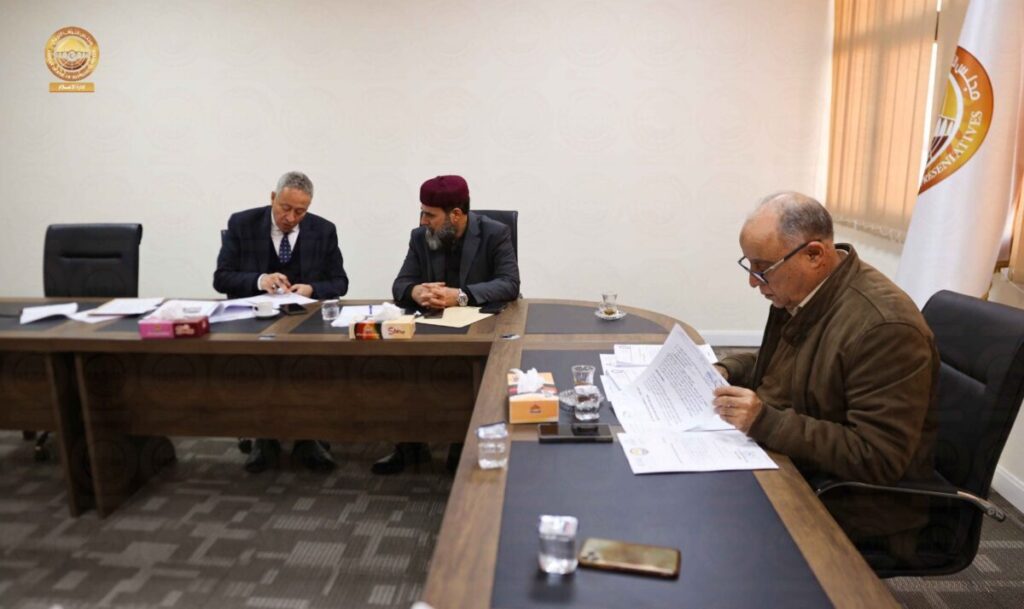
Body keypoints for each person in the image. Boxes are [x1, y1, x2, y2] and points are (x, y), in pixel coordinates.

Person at [711, 191, 938, 562]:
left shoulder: (884, 328)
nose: (753, 281)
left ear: (814, 255)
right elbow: (783, 365)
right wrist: (727, 369)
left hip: (854, 500)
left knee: (711, 523)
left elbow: (877, 456)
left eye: (762, 268)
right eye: (749, 265)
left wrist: (765, 421)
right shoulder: (804, 291)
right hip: (798, 462)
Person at [375, 175, 521, 475]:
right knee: (402, 363)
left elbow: (509, 283)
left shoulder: (495, 233)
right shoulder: (421, 237)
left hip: (481, 325)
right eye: (422, 212)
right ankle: (410, 445)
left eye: (430, 214)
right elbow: (401, 283)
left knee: (471, 370)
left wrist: (461, 295)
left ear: (455, 214)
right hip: (433, 324)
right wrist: (417, 291)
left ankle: (461, 442)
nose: (423, 221)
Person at [213, 170, 348, 473]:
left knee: (310, 367)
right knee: (261, 367)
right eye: (285, 208)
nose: (291, 218)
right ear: (273, 198)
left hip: (306, 321)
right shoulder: (243, 224)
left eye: (300, 211)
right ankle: (264, 438)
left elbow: (340, 282)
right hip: (254, 319)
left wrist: (311, 288)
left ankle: (308, 437)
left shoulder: (323, 230)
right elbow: (222, 278)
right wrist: (260, 280)